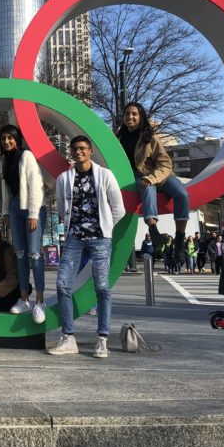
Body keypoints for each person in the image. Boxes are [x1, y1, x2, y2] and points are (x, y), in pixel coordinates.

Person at [49, 135, 124, 359]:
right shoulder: (64, 178)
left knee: (102, 287)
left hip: (100, 238)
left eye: (82, 148)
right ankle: (68, 337)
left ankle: (102, 339)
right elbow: (63, 209)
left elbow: (118, 208)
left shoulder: (104, 175)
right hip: (74, 237)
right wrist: (74, 226)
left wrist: (105, 227)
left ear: (90, 151)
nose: (78, 152)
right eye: (75, 149)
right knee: (63, 284)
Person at [117, 102, 190, 262]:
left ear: (140, 117)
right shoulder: (118, 138)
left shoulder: (150, 137)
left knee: (182, 194)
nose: (130, 117)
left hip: (162, 175)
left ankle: (179, 239)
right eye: (127, 114)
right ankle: (154, 231)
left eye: (134, 114)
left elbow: (165, 163)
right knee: (148, 189)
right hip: (138, 177)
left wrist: (152, 177)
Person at [0, 124, 48, 324]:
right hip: (15, 207)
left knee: (34, 253)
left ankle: (40, 301)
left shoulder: (26, 156)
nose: (7, 142)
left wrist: (34, 214)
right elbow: (5, 189)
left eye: (10, 138)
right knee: (19, 254)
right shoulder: (3, 160)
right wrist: (5, 211)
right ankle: (24, 298)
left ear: (17, 139)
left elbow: (36, 184)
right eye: (3, 139)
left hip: (32, 207)